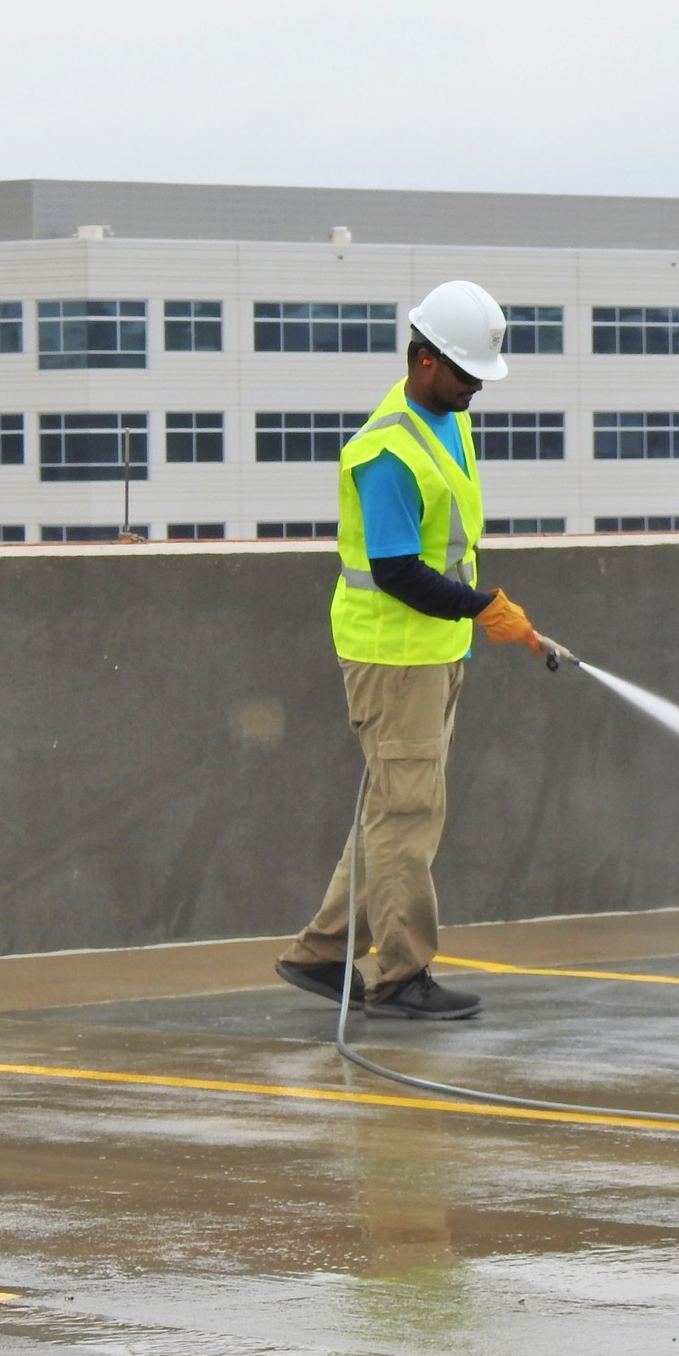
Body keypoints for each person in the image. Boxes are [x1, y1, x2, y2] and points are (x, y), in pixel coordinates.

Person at [276, 280, 562, 1018]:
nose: (475, 389)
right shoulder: (388, 451)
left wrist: (475, 618)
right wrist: (485, 609)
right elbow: (399, 570)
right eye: (467, 375)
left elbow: (448, 546)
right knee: (408, 816)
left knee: (394, 809)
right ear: (426, 359)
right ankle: (400, 977)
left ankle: (323, 952)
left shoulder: (449, 422)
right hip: (395, 655)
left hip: (434, 652)